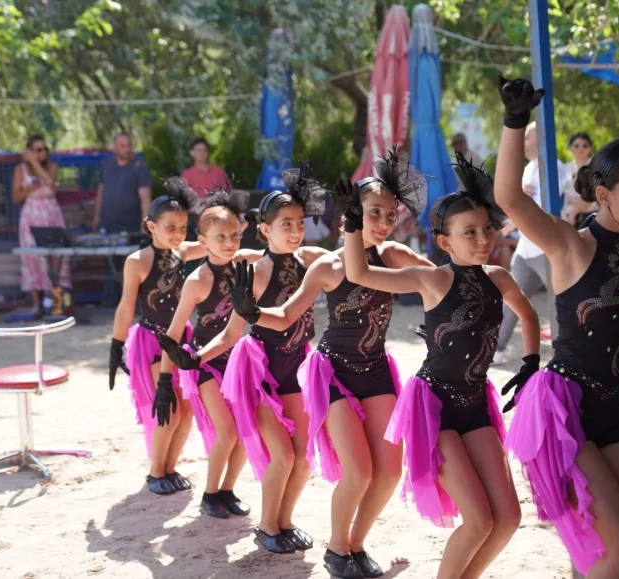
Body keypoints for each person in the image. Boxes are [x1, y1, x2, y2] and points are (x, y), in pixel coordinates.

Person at [494, 76, 619, 578]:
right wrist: (514, 121)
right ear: (604, 194)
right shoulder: (571, 246)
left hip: (614, 404)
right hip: (564, 411)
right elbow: (509, 197)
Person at [223, 150, 433, 579]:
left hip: (377, 371)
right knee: (358, 472)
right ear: (350, 215)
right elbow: (285, 316)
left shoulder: (394, 255)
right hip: (333, 373)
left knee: (389, 472)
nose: (383, 222)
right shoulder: (326, 266)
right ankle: (337, 551)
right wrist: (251, 312)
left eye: (390, 214)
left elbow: (441, 278)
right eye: (373, 212)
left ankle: (356, 544)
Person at [341, 153, 539, 579]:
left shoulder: (500, 278)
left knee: (508, 518)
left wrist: (531, 361)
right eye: (469, 232)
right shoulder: (432, 279)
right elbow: (357, 273)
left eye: (487, 228)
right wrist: (353, 224)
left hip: (477, 406)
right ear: (445, 243)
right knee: (479, 520)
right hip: (435, 408)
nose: (483, 239)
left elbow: (527, 315)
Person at [159, 165, 329, 555]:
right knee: (282, 456)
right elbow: (231, 334)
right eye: (285, 224)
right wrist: (193, 359)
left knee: (304, 459)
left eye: (299, 223)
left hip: (297, 370)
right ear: (266, 230)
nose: (295, 230)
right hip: (261, 375)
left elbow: (352, 263)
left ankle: (285, 522)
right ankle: (266, 527)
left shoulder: (310, 263)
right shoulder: (254, 272)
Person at [156, 183, 262, 516]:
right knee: (227, 431)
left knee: (246, 430)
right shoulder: (198, 280)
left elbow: (279, 255)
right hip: (204, 362)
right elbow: (173, 332)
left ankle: (227, 489)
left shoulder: (244, 262)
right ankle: (210, 494)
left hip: (238, 360)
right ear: (203, 242)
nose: (229, 243)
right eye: (220, 237)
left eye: (234, 236)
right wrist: (164, 381)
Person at [107, 178, 208, 495]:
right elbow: (126, 307)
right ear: (151, 226)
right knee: (169, 409)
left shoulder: (184, 251)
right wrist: (116, 346)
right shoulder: (137, 262)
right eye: (170, 227)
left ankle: (170, 468)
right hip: (152, 340)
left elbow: (218, 243)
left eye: (183, 228)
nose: (178, 234)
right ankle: (155, 472)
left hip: (183, 339)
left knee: (187, 410)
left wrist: (239, 222)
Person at [493, 121, 567, 363]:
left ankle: (568, 353)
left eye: (527, 137)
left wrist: (520, 206)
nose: (523, 143)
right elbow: (516, 205)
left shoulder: (555, 168)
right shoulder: (527, 169)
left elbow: (548, 207)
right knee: (511, 300)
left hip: (547, 248)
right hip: (526, 249)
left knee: (561, 303)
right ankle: (497, 351)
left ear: (540, 138)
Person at [12, 135, 71, 316]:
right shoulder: (20, 170)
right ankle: (36, 304)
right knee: (32, 256)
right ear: (29, 150)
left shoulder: (52, 166)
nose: (42, 153)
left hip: (51, 214)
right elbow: (15, 197)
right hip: (31, 215)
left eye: (44, 149)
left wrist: (34, 163)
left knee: (55, 257)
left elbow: (49, 182)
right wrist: (29, 189)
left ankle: (55, 302)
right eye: (38, 150)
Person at [94, 133, 154, 308]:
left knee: (133, 263)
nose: (127, 149)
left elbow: (145, 197)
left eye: (129, 145)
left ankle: (137, 304)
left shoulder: (140, 167)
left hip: (131, 224)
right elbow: (101, 191)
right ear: (115, 148)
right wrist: (96, 216)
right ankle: (108, 301)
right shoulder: (106, 165)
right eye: (122, 146)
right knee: (109, 263)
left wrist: (145, 222)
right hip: (109, 223)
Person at [561, 132, 597, 228]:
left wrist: (575, 211)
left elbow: (593, 196)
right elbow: (562, 193)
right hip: (567, 217)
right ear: (571, 148)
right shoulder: (565, 168)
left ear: (590, 148)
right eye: (576, 146)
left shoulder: (596, 167)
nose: (580, 149)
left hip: (590, 217)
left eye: (585, 146)